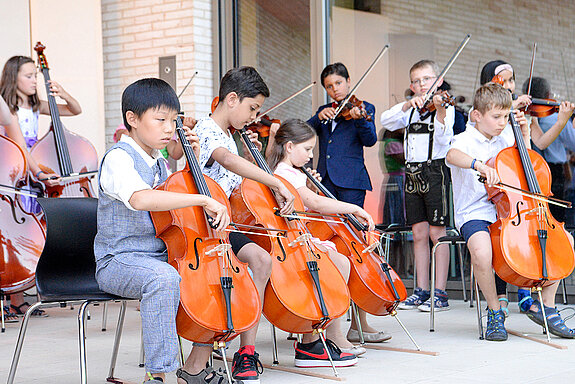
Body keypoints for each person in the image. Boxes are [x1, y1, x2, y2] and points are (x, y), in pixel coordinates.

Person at [95, 78, 236, 384]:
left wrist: (190, 162)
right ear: (132, 119)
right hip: (119, 260)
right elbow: (141, 198)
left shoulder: (158, 161)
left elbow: (174, 206)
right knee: (164, 278)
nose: (170, 128)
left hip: (159, 255)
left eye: (173, 120)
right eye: (160, 120)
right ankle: (156, 375)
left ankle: (196, 366)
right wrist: (202, 198)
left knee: (216, 278)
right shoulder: (119, 158)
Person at [192, 66, 305, 383]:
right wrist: (277, 182)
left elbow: (240, 179)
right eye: (252, 108)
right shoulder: (205, 129)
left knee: (261, 259)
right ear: (231, 99)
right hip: (203, 224)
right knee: (256, 259)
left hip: (223, 222)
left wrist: (262, 154)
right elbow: (227, 161)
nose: (254, 117)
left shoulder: (229, 135)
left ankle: (246, 349)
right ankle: (224, 337)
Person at [447, 82, 575, 341]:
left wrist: (524, 135)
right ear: (477, 115)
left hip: (512, 212)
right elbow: (451, 156)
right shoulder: (464, 139)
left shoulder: (508, 136)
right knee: (482, 252)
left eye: (506, 116)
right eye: (496, 117)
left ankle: (546, 307)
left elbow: (526, 172)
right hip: (476, 212)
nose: (502, 122)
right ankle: (495, 312)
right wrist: (479, 166)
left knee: (565, 243)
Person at [269, 118, 390, 361]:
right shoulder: (283, 172)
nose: (311, 155)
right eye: (307, 149)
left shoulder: (291, 172)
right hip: (293, 241)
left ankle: (334, 334)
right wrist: (353, 209)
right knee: (339, 264)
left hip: (300, 236)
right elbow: (314, 204)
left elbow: (306, 202)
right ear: (290, 147)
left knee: (342, 263)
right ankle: (333, 335)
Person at [478, 60, 570, 315]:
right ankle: (500, 296)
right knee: (497, 234)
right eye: (503, 81)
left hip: (518, 183)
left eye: (511, 80)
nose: (509, 86)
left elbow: (539, 143)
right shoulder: (486, 111)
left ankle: (528, 288)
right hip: (493, 184)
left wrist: (561, 120)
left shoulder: (522, 112)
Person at [0, 55, 82, 319]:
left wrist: (63, 93)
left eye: (36, 75)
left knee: (32, 232)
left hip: (31, 174)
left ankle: (24, 294)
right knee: (16, 235)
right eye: (28, 75)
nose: (34, 80)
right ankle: (16, 298)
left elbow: (75, 109)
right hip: (17, 172)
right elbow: (19, 147)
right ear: (13, 78)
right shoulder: (9, 110)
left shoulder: (35, 107)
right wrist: (36, 171)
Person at [380, 60, 454, 312]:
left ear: (438, 81)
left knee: (437, 234)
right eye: (417, 81)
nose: (422, 85)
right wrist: (405, 104)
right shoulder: (410, 109)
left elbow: (446, 137)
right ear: (411, 86)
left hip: (435, 172)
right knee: (419, 233)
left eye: (427, 79)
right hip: (412, 174)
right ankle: (421, 290)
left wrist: (441, 111)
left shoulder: (445, 107)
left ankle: (440, 293)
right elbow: (386, 120)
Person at [522, 76, 575, 223]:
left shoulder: (532, 117)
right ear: (547, 96)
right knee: (555, 217)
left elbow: (540, 142)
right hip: (549, 171)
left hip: (539, 169)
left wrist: (562, 121)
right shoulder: (518, 111)